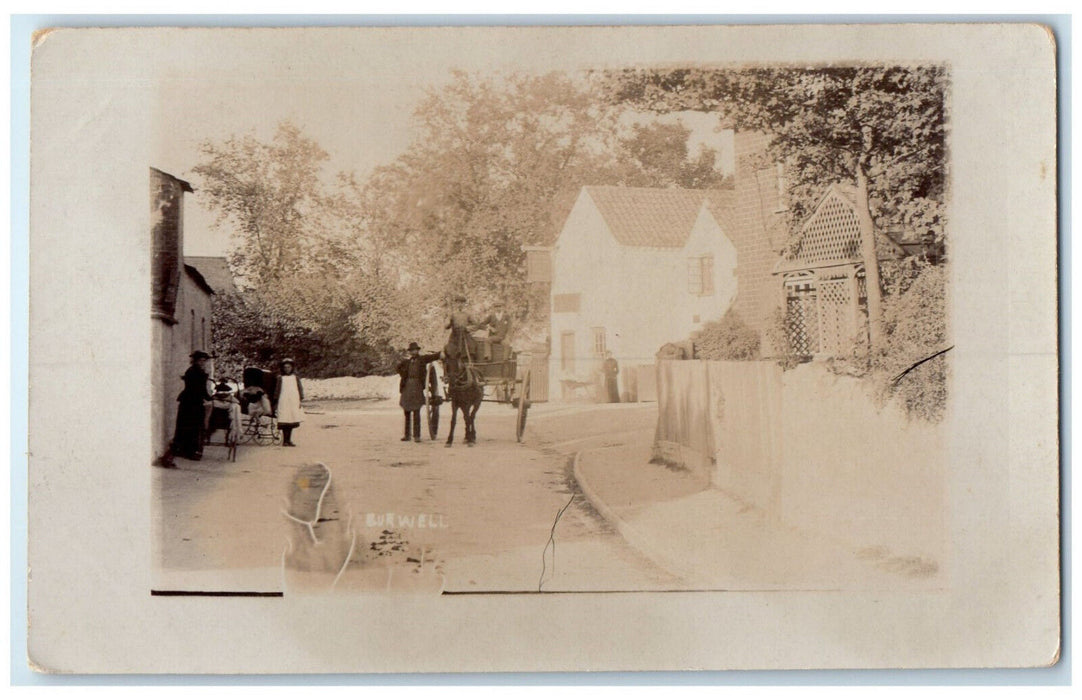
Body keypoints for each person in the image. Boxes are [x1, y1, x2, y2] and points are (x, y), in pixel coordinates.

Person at [169, 350, 213, 462]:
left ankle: (185, 450)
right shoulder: (196, 372)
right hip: (191, 401)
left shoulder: (195, 371)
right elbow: (199, 389)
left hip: (191, 400)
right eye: (201, 360)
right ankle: (189, 452)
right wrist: (210, 398)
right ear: (195, 361)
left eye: (204, 361)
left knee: (188, 425)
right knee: (192, 426)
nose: (203, 363)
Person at [397, 342, 441, 442]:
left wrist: (441, 354)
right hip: (407, 387)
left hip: (417, 386)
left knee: (416, 411)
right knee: (406, 411)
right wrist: (403, 374)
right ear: (410, 352)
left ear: (418, 351)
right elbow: (398, 367)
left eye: (415, 350)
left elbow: (432, 357)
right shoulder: (406, 362)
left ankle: (417, 436)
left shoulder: (422, 360)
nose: (413, 352)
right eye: (412, 351)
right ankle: (407, 435)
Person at [274, 358, 304, 447]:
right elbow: (277, 390)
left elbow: (299, 388)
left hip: (293, 400)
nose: (287, 369)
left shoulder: (295, 377)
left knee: (291, 420)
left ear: (292, 368)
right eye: (285, 367)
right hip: (283, 401)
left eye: (289, 367)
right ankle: (285, 441)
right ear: (282, 368)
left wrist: (300, 399)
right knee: (284, 420)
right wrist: (275, 400)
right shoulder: (280, 378)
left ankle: (289, 440)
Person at [444, 296, 481, 361]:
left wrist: (468, 328)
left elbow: (476, 324)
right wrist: (448, 321)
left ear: (464, 304)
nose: (460, 305)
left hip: (465, 334)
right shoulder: (452, 314)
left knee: (472, 347)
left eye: (461, 303)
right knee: (449, 350)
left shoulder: (468, 314)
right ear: (455, 304)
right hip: (455, 335)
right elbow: (446, 326)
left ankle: (471, 363)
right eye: (458, 303)